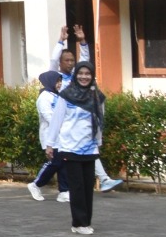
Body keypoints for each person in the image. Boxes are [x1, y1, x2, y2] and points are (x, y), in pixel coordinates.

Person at [52, 30, 124, 194]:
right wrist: (60, 42)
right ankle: (65, 190)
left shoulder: (77, 77)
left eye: (72, 60)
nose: (70, 63)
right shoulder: (57, 78)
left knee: (86, 150)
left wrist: (83, 42)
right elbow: (52, 60)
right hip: (65, 125)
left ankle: (100, 181)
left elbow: (85, 62)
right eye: (67, 60)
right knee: (59, 163)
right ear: (60, 63)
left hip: (80, 126)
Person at [46, 60, 106, 235]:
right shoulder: (66, 95)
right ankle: (78, 223)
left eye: (87, 74)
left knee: (88, 187)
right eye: (81, 73)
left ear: (92, 75)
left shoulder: (98, 97)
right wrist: (50, 144)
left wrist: (98, 143)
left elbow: (100, 121)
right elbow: (57, 119)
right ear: (75, 75)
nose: (84, 77)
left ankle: (85, 221)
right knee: (77, 186)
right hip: (70, 146)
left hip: (89, 147)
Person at [27, 71, 71, 203]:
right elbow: (49, 117)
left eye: (60, 81)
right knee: (55, 162)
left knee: (63, 162)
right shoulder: (44, 98)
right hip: (50, 136)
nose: (59, 84)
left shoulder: (57, 95)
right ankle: (36, 184)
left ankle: (64, 191)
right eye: (57, 81)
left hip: (61, 135)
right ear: (49, 82)